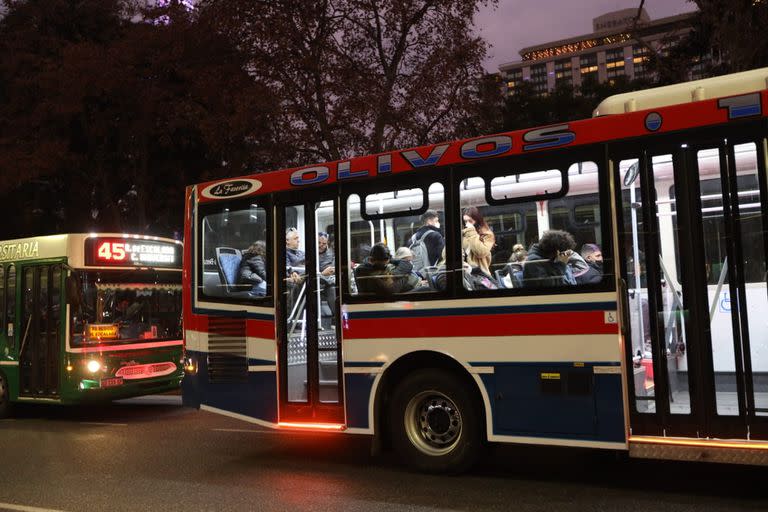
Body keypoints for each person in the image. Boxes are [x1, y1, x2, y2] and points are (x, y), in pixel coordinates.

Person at [354, 243, 421, 295]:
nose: (384, 267)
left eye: (385, 264)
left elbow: (407, 264)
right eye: (382, 265)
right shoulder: (363, 272)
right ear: (371, 260)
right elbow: (391, 290)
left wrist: (393, 275)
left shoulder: (382, 264)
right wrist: (405, 277)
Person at [461, 206, 495, 279]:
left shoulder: (487, 234)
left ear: (477, 220)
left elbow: (480, 252)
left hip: (481, 275)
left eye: (470, 221)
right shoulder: (463, 234)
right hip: (465, 275)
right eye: (465, 221)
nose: (467, 224)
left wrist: (471, 232)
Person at [408, 209, 445, 274]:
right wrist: (439, 230)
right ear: (429, 221)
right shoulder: (436, 235)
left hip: (418, 274)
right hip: (432, 274)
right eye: (436, 221)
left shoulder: (413, 238)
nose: (438, 223)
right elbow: (442, 256)